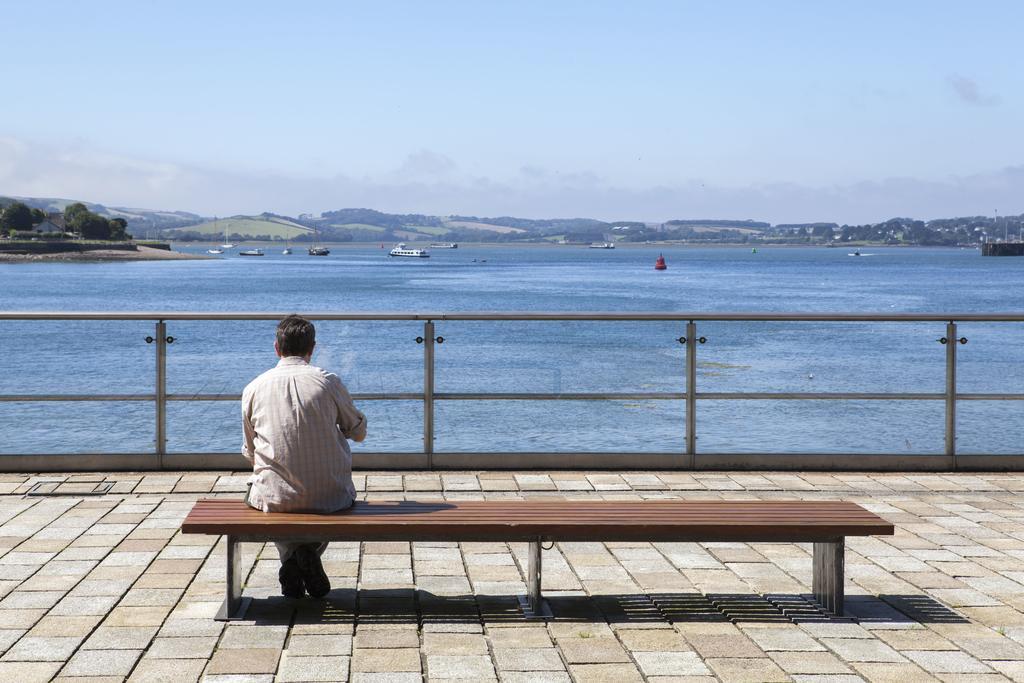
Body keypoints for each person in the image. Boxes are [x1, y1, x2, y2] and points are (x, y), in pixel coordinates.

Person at [241, 315, 367, 598]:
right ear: (312, 348)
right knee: (330, 496)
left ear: (276, 347)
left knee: (265, 492)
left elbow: (250, 451)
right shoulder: (328, 382)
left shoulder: (253, 387)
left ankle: (293, 558)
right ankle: (307, 551)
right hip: (330, 495)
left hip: (276, 497)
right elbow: (358, 433)